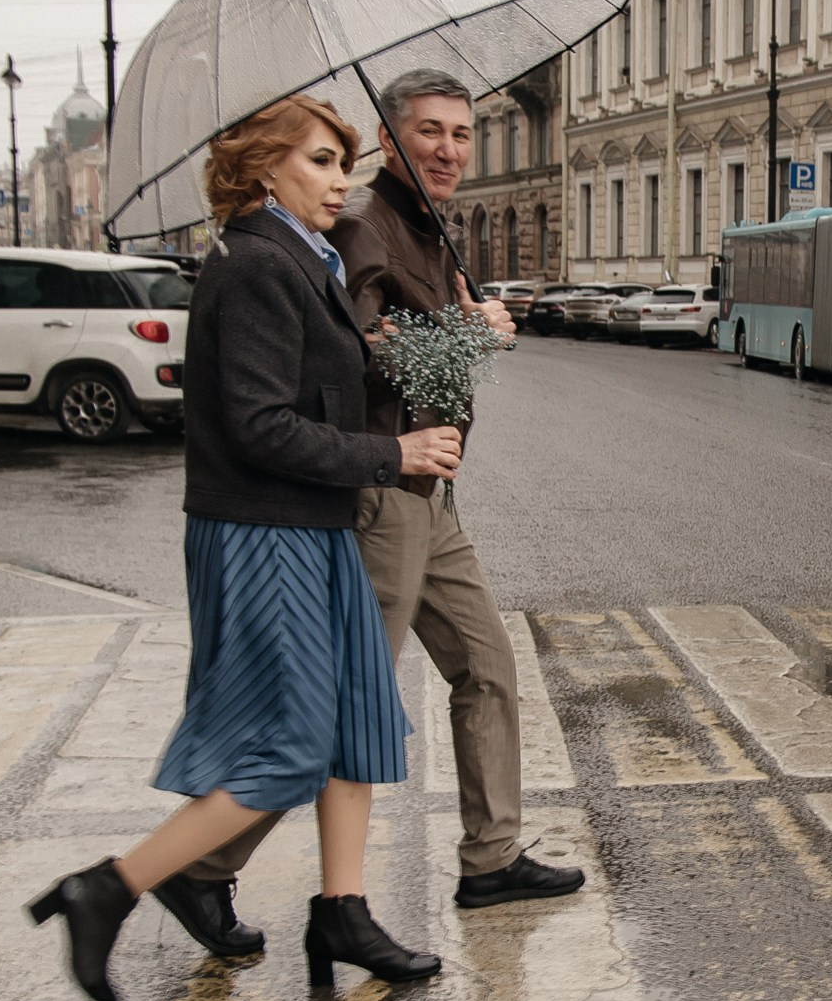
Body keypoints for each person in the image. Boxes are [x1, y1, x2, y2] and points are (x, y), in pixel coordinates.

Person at [28, 94, 461, 1001]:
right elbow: (262, 426)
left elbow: (318, 382)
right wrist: (394, 454)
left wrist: (432, 343)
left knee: (357, 720)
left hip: (315, 526)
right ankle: (110, 886)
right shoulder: (257, 264)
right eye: (319, 161)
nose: (341, 180)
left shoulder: (301, 257)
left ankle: (341, 911)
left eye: (343, 161)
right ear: (264, 169)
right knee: (289, 753)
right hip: (267, 534)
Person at [178, 69, 584, 940]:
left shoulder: (431, 227)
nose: (449, 149)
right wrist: (462, 335)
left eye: (461, 133)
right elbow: (341, 355)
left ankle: (491, 857)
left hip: (430, 490)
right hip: (379, 492)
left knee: (487, 666)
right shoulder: (363, 222)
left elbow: (398, 343)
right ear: (391, 139)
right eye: (428, 131)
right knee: (344, 704)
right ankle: (202, 867)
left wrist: (463, 328)